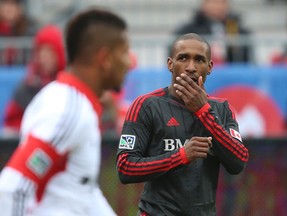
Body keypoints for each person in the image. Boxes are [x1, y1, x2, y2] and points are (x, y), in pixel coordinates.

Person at [0, 7, 131, 216]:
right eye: (124, 52)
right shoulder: (68, 110)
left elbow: (81, 191)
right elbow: (13, 188)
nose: (129, 62)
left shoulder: (76, 104)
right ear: (105, 58)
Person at [116, 33, 249, 216]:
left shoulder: (222, 109)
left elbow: (238, 161)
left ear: (210, 67)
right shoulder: (147, 105)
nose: (191, 67)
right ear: (170, 64)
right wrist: (182, 156)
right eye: (183, 58)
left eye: (199, 60)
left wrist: (203, 111)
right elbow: (125, 167)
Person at [2, 24, 65, 137]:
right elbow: (12, 121)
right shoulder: (27, 85)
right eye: (42, 51)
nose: (46, 57)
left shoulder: (66, 86)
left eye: (50, 52)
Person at [172, 0, 251, 64]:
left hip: (229, 77)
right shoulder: (189, 29)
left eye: (222, 2)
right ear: (204, 4)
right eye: (213, 2)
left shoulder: (236, 28)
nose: (217, 6)